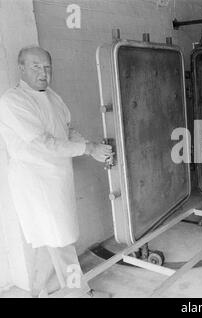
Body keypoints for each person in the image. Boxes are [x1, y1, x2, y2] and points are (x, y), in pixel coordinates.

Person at [0, 46, 113, 298]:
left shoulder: (53, 97)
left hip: (57, 179)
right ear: (21, 68)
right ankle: (81, 293)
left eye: (48, 67)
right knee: (60, 240)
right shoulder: (12, 101)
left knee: (47, 240)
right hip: (35, 182)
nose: (43, 73)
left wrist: (92, 146)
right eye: (36, 67)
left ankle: (38, 292)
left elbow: (67, 131)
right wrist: (87, 149)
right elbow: (44, 143)